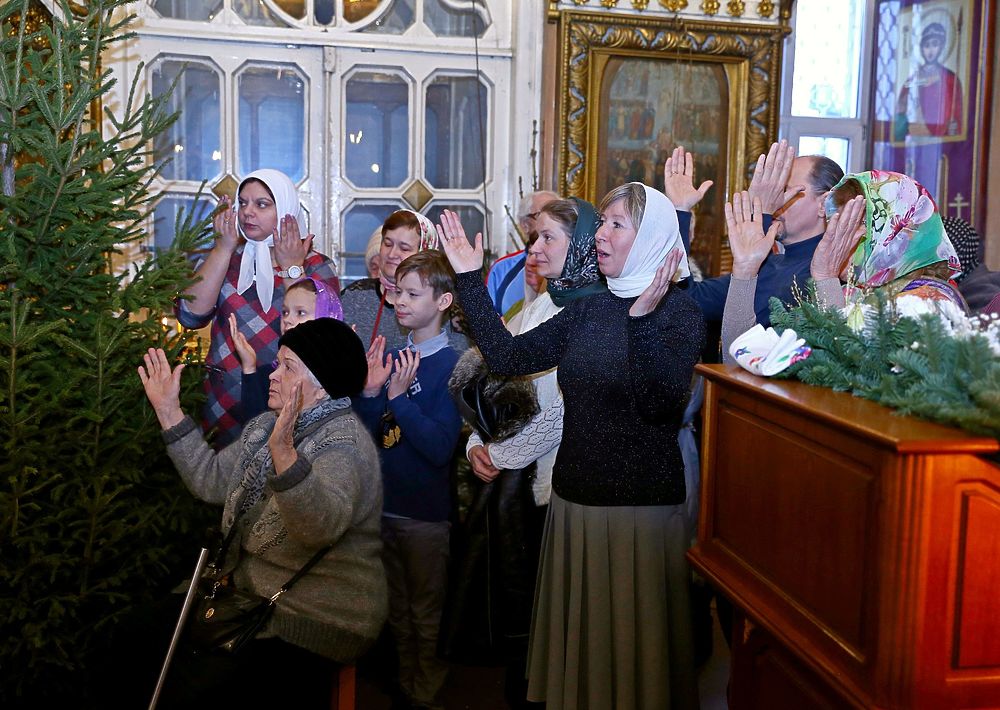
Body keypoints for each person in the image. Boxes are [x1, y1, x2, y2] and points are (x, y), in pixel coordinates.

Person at [438, 181, 706, 709]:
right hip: (573, 502)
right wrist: (469, 278)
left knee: (631, 665)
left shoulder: (679, 313)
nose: (600, 234)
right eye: (601, 222)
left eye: (616, 225)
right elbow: (508, 358)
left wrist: (641, 321)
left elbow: (658, 406)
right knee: (582, 663)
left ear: (649, 238)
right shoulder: (590, 308)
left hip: (636, 514)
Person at [136, 317, 387, 707]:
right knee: (140, 638)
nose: (273, 373)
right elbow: (210, 480)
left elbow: (317, 528)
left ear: (321, 386)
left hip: (319, 611)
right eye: (278, 362)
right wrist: (169, 411)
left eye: (288, 366)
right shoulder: (266, 426)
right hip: (247, 594)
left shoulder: (344, 443)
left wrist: (285, 456)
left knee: (207, 688)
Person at [464, 197, 606, 707]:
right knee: (524, 623)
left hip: (558, 489)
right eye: (534, 237)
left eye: (548, 238)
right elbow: (498, 383)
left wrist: (501, 454)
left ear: (581, 245)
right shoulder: (543, 303)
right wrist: (478, 442)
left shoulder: (592, 312)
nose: (534, 248)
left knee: (555, 623)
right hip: (522, 484)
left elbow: (565, 414)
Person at [354, 251, 463, 710]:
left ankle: (427, 691)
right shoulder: (394, 357)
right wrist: (371, 392)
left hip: (424, 516)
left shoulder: (454, 365)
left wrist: (399, 399)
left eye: (412, 294)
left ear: (442, 301)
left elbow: (439, 447)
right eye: (398, 292)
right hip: (386, 507)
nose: (399, 301)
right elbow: (369, 437)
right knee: (396, 609)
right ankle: (406, 683)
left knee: (425, 611)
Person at [721, 170, 965, 359]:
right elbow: (742, 359)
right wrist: (745, 271)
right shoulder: (853, 294)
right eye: (838, 222)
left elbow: (842, 371)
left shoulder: (929, 304)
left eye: (857, 223)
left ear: (897, 233)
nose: (839, 235)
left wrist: (826, 277)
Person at [175, 169, 340, 446]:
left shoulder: (316, 265)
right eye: (243, 203)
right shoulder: (228, 256)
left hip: (288, 398)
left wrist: (291, 268)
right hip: (226, 397)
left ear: (286, 210)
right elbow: (190, 316)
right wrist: (223, 249)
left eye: (262, 204)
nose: (247, 212)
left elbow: (318, 336)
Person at [665, 143, 845, 330]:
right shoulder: (770, 264)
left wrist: (763, 214)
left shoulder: (829, 274)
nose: (776, 200)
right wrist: (680, 211)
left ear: (825, 204)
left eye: (785, 190)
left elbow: (760, 328)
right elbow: (687, 302)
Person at [340, 209, 466, 353]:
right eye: (387, 244)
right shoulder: (354, 296)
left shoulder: (450, 310)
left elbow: (461, 361)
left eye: (404, 248)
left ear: (425, 253)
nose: (392, 254)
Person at [229, 275, 343, 423]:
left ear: (325, 316)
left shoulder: (340, 374)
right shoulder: (270, 373)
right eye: (285, 312)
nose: (287, 319)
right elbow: (254, 428)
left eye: (300, 312)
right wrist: (249, 367)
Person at [486, 190, 559, 318]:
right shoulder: (502, 270)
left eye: (557, 215)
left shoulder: (576, 271)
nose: (552, 222)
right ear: (525, 225)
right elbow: (486, 321)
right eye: (541, 215)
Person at [894, 22, 964, 141]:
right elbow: (900, 115)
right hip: (915, 138)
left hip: (941, 140)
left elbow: (957, 114)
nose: (930, 51)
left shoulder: (950, 79)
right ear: (921, 49)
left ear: (941, 47)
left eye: (935, 44)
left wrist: (954, 126)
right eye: (926, 46)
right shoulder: (912, 80)